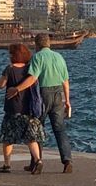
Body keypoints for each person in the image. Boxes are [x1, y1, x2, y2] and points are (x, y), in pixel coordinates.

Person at [5, 33, 72, 173]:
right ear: (49, 44)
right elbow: (65, 81)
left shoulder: (37, 57)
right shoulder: (59, 57)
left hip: (43, 94)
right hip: (59, 94)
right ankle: (67, 160)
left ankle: (36, 162)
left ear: (36, 45)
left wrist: (17, 89)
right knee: (59, 129)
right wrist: (68, 101)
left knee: (36, 128)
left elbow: (32, 78)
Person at [0, 42, 45, 174]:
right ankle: (38, 160)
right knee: (30, 138)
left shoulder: (9, 69)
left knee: (7, 138)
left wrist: (4, 77)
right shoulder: (30, 69)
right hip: (28, 108)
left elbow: (0, 85)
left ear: (13, 55)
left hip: (12, 108)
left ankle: (7, 164)